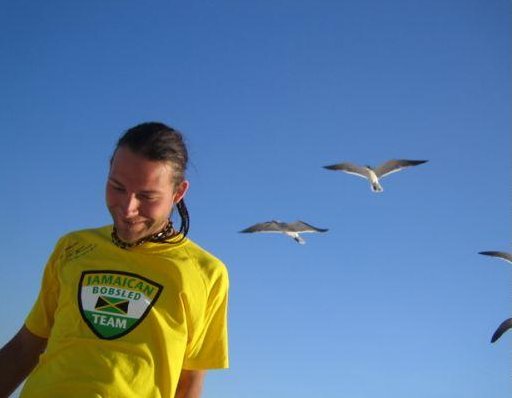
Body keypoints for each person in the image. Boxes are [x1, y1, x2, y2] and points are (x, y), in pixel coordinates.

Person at [0, 122, 229, 398]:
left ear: (178, 193)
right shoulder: (73, 247)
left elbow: (189, 383)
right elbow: (26, 347)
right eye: (117, 187)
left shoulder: (206, 273)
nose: (128, 207)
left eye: (147, 196)